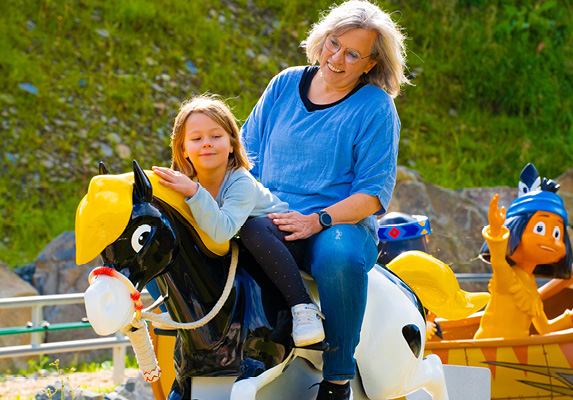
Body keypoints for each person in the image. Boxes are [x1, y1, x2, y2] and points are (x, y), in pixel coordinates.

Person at [240, 1, 407, 398]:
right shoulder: (284, 84)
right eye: (334, 43)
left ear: (370, 64)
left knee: (339, 258)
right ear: (322, 39)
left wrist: (317, 220)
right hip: (273, 216)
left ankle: (336, 379)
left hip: (340, 225)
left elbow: (371, 194)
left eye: (353, 53)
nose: (337, 58)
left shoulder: (376, 108)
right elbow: (245, 156)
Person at [151, 95, 325, 347]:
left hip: (282, 242)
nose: (207, 144)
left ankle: (303, 306)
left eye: (216, 136)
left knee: (250, 228)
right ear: (183, 149)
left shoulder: (239, 181)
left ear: (232, 144)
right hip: (242, 250)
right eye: (196, 139)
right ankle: (180, 307)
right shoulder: (185, 183)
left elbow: (222, 231)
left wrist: (194, 193)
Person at [475, 164, 573, 339]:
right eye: (540, 228)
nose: (551, 240)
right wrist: (496, 231)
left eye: (556, 233)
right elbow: (498, 260)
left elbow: (544, 329)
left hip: (516, 352)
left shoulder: (531, 287)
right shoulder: (508, 277)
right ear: (515, 230)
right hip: (490, 350)